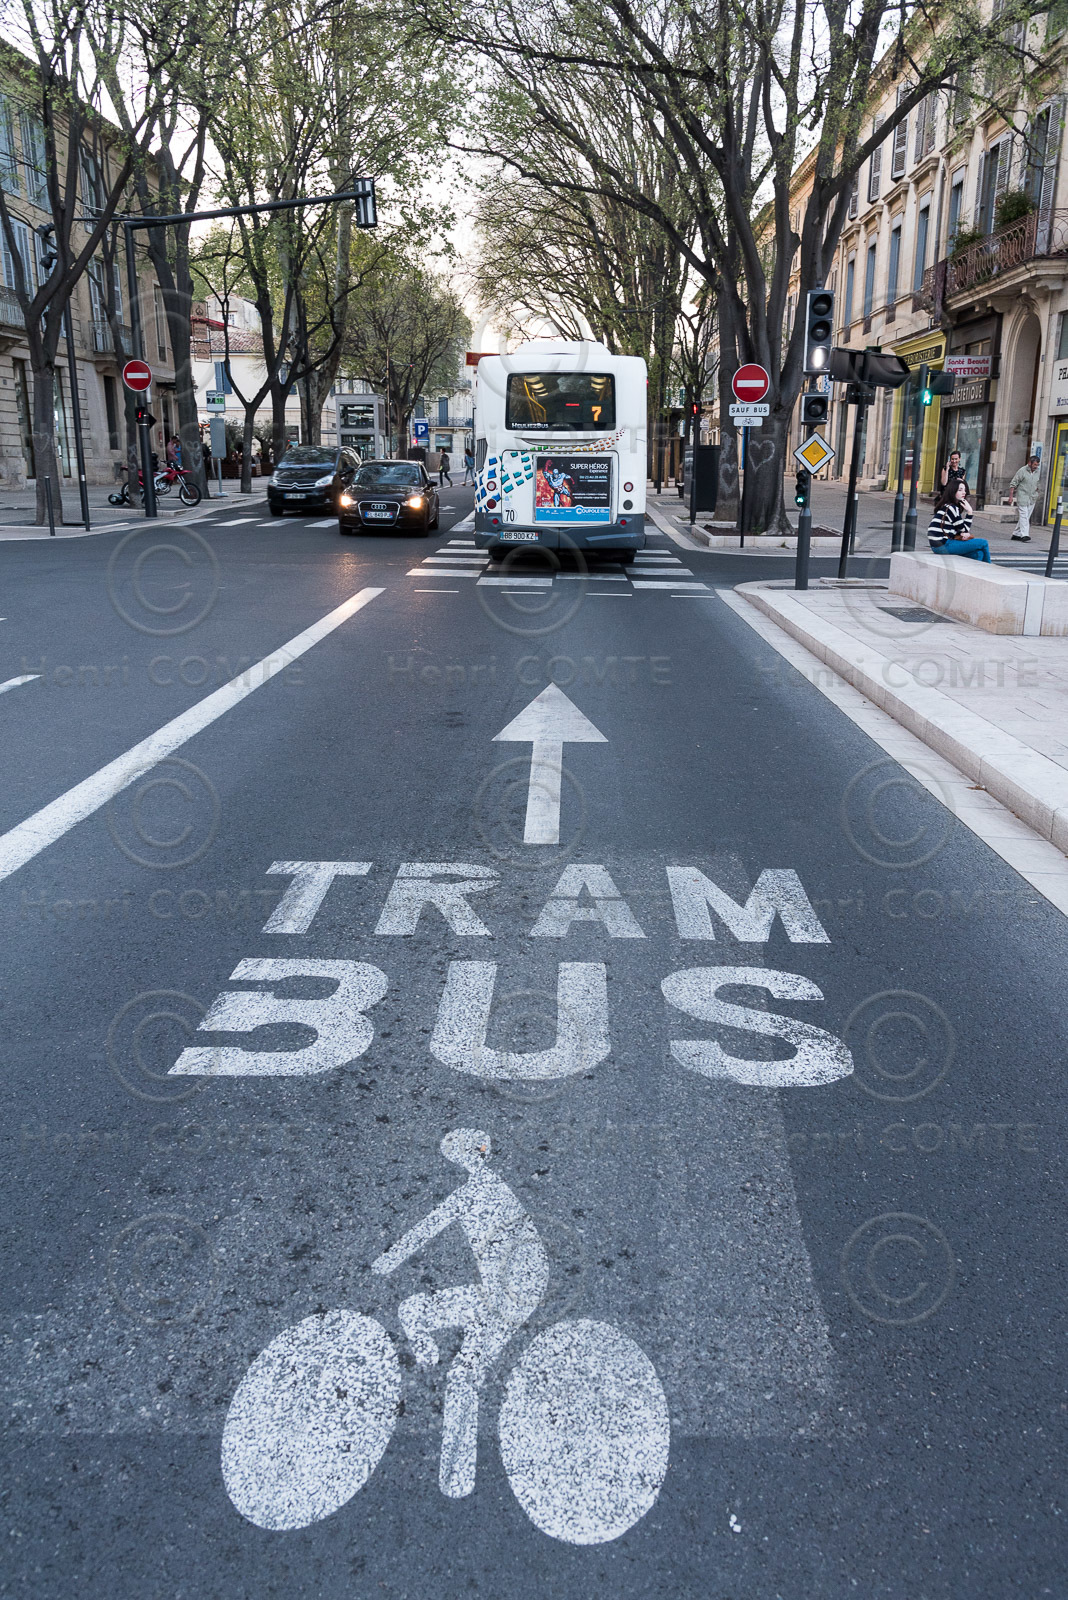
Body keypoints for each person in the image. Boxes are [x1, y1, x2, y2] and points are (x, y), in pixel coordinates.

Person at [928, 478, 990, 560]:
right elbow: (964, 530)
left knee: (979, 554)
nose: (964, 492)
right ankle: (990, 568)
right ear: (953, 491)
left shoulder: (948, 506)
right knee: (983, 543)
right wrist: (969, 512)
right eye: (960, 490)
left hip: (938, 546)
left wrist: (963, 532)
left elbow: (962, 531)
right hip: (943, 545)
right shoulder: (952, 508)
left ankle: (977, 571)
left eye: (964, 490)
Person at [1008, 454, 1042, 542]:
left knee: (1026, 517)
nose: (1036, 467)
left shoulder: (1037, 471)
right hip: (1022, 496)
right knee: (1024, 516)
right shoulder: (1022, 471)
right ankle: (1024, 535)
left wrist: (1037, 490)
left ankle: (1016, 534)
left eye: (1037, 465)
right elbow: (1013, 483)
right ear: (1029, 463)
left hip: (1032, 497)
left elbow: (1037, 482)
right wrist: (1011, 497)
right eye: (1035, 465)